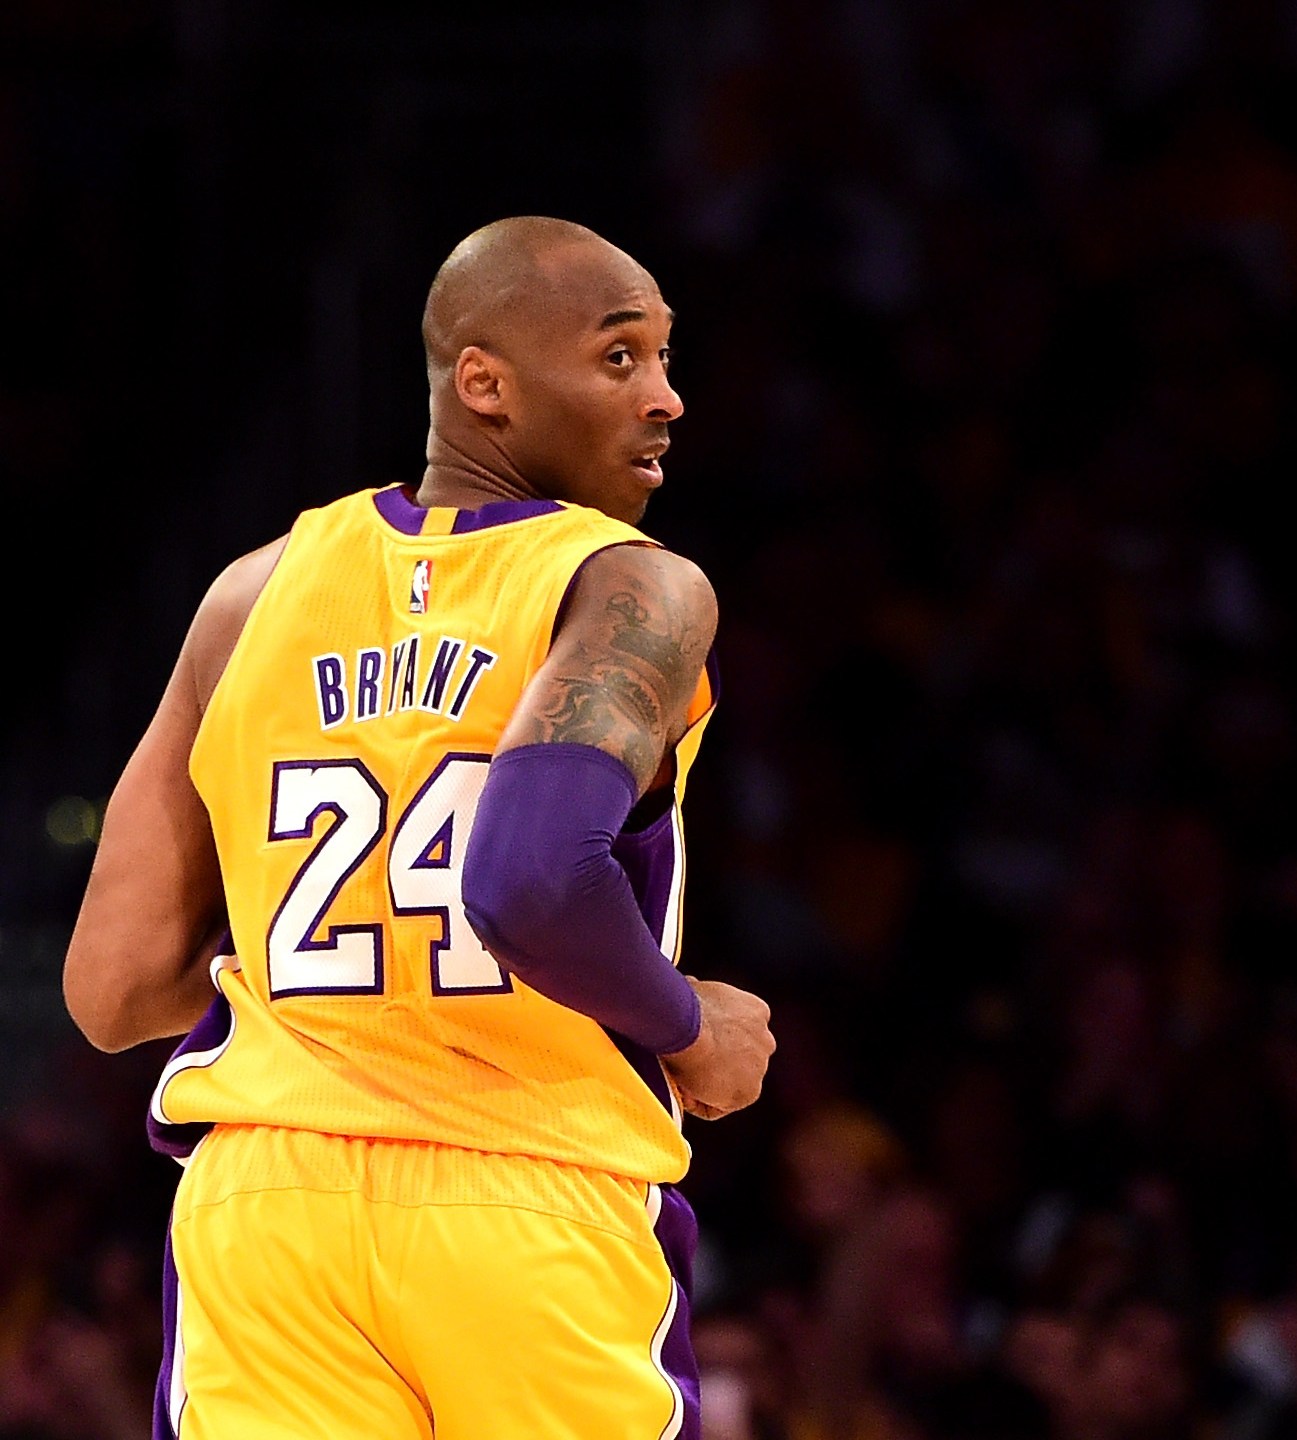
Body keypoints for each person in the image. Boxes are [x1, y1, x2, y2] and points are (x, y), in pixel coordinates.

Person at [60, 214, 777, 1438]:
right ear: (483, 381)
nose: (665, 398)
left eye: (664, 357)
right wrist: (687, 1023)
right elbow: (534, 882)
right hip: (527, 1198)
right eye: (620, 357)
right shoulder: (630, 584)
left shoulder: (249, 594)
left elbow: (113, 986)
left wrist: (344, 988)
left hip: (268, 1211)